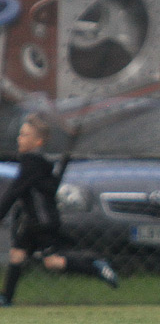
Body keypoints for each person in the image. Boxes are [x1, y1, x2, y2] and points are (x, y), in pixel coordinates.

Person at [0, 113, 118, 306]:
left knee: (53, 261)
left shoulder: (32, 164)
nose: (19, 138)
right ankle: (6, 298)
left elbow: (15, 191)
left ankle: (95, 265)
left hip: (40, 222)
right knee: (17, 254)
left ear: (38, 142)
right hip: (32, 220)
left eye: (24, 135)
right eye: (20, 134)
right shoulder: (38, 164)